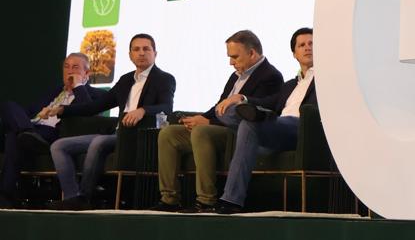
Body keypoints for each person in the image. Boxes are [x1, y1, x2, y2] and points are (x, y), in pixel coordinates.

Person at [153, 30, 283, 212]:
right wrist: (203, 117)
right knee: (169, 133)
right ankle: (169, 198)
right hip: (218, 127)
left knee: (201, 131)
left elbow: (247, 115)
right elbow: (220, 105)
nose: (231, 62)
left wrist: (208, 123)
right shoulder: (236, 75)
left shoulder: (270, 76)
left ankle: (206, 200)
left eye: (235, 57)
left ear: (252, 53)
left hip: (240, 133)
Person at [49, 34, 176, 209]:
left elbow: (167, 107)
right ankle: (73, 197)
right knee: (59, 146)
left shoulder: (164, 78)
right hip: (118, 134)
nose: (141, 53)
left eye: (146, 49)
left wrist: (143, 110)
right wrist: (63, 110)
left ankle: (85, 197)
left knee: (99, 141)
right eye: (136, 49)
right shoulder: (125, 80)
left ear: (155, 53)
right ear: (130, 54)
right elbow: (95, 107)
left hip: (139, 136)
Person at [215, 27, 316, 214]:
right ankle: (255, 115)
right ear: (294, 54)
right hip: (278, 127)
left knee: (251, 124)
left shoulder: (326, 80)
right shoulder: (290, 84)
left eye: (312, 44)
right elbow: (270, 101)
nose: (307, 48)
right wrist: (242, 98)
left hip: (301, 127)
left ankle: (231, 200)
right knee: (228, 113)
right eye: (302, 45)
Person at [0, 54, 100, 207]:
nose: (69, 71)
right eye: (66, 67)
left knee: (13, 138)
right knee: (9, 107)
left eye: (75, 67)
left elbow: (88, 111)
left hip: (54, 133)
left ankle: (5, 197)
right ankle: (26, 133)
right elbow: (28, 112)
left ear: (87, 73)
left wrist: (78, 86)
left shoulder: (95, 94)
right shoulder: (54, 91)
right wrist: (29, 120)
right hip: (33, 128)